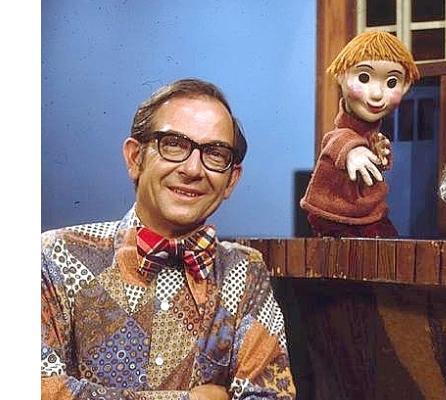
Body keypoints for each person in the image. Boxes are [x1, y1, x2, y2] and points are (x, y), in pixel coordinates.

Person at [41, 78, 296, 400]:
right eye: (174, 144)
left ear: (231, 180)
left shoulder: (244, 272)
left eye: (215, 153)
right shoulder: (56, 256)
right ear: (135, 158)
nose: (193, 169)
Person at [300, 31, 420, 238]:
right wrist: (353, 151)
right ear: (341, 75)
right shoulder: (342, 136)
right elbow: (336, 139)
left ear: (405, 86)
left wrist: (378, 154)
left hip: (369, 214)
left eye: (392, 82)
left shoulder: (372, 136)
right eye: (364, 78)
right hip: (336, 218)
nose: (377, 94)